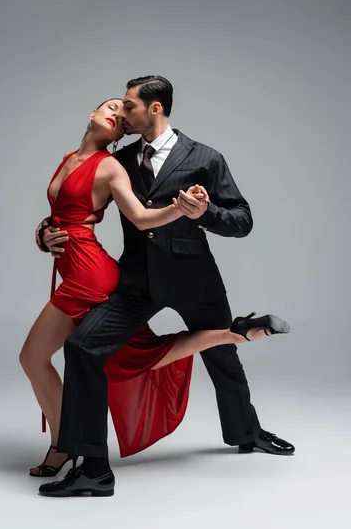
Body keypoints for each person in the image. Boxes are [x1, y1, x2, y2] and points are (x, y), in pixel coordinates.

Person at [34, 77, 293, 498]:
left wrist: (206, 212)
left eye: (130, 107)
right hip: (136, 280)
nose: (122, 114)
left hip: (194, 276)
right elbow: (81, 209)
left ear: (155, 109)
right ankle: (94, 469)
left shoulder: (206, 157)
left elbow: (242, 220)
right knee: (82, 347)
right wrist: (46, 231)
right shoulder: (120, 159)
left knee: (222, 357)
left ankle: (247, 433)